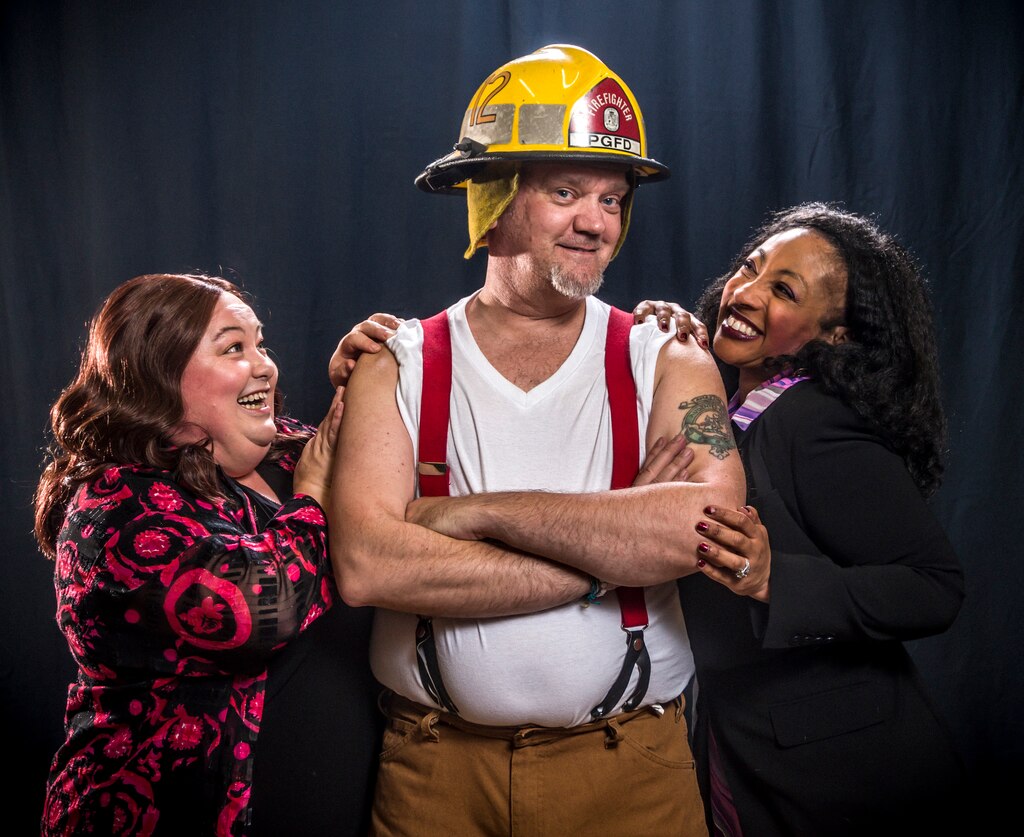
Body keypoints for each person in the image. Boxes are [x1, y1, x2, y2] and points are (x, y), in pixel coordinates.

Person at [331, 45, 744, 836]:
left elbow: (704, 528)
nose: (597, 221)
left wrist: (471, 512)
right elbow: (368, 565)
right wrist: (613, 545)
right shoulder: (396, 362)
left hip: (631, 776)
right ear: (493, 197)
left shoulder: (668, 357)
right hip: (436, 776)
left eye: (612, 199)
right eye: (565, 192)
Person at [637, 203, 965, 835]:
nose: (746, 292)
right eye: (749, 267)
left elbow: (934, 586)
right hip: (741, 749)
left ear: (833, 336)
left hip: (846, 774)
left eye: (784, 291)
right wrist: (653, 342)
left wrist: (773, 580)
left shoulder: (814, 422)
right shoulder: (731, 412)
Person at [35, 274, 380, 836]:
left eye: (261, 344)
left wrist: (369, 381)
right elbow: (254, 611)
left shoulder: (288, 454)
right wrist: (315, 497)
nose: (265, 366)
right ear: (160, 374)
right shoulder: (112, 508)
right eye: (233, 348)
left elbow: (388, 492)